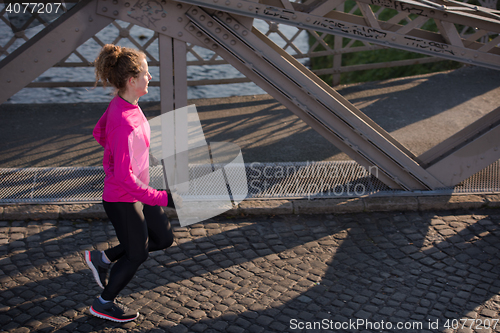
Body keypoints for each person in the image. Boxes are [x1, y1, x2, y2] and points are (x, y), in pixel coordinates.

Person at [85, 44, 175, 322]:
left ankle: (101, 259)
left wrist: (114, 157)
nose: (151, 78)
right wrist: (162, 197)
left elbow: (98, 131)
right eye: (147, 74)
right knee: (137, 254)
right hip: (122, 198)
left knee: (163, 238)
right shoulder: (124, 121)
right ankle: (103, 303)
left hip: (137, 191)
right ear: (131, 80)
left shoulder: (125, 104)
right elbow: (124, 178)